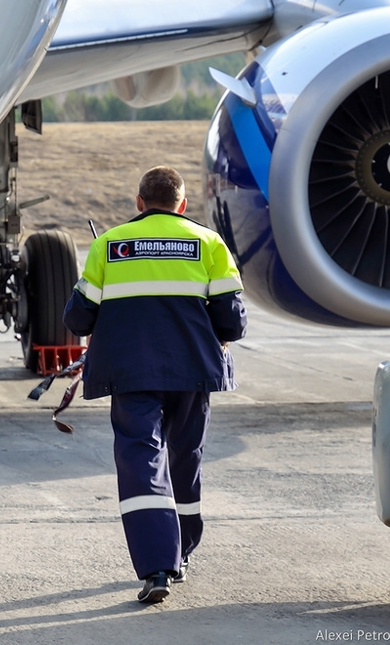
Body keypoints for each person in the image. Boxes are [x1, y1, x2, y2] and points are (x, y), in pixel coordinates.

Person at [63, 166, 246, 603]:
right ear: (182, 204)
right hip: (192, 372)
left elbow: (77, 318)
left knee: (141, 460)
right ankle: (182, 553)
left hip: (131, 374)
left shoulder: (109, 244)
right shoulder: (208, 242)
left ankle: (158, 568)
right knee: (186, 458)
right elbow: (233, 322)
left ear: (139, 203)